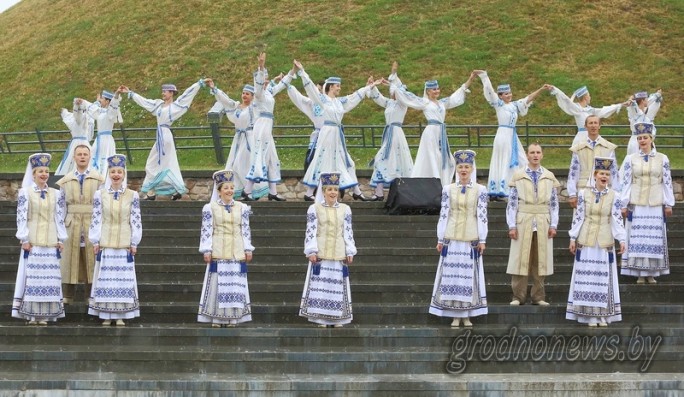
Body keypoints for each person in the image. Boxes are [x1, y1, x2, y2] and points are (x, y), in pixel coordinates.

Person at [293, 60, 377, 201]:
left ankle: (313, 192)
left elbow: (354, 97)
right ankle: (310, 192)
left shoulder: (340, 102)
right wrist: (302, 72)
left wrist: (369, 87)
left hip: (337, 135)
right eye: (337, 86)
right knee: (321, 160)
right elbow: (311, 90)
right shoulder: (322, 100)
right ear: (331, 87)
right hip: (327, 133)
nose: (339, 88)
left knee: (345, 161)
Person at [120, 79, 208, 200]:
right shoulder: (159, 105)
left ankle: (155, 191)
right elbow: (145, 102)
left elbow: (187, 95)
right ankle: (170, 190)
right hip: (161, 136)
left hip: (165, 136)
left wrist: (199, 84)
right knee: (163, 164)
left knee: (157, 163)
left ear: (171, 93)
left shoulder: (174, 107)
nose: (163, 93)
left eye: (165, 91)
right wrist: (131, 93)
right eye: (163, 91)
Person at [430, 150, 488, 327]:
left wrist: (483, 238)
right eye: (461, 166)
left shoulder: (480, 190)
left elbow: (482, 214)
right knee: (452, 276)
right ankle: (455, 314)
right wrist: (440, 238)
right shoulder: (448, 189)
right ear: (456, 168)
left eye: (467, 167)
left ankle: (467, 314)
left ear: (472, 169)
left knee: (467, 276)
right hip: (452, 238)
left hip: (470, 238)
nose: (463, 170)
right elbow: (444, 213)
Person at [567, 157, 626, 327]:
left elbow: (616, 219)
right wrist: (573, 237)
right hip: (586, 240)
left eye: (607, 174)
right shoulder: (584, 194)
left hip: (604, 241)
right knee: (587, 277)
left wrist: (621, 239)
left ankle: (602, 315)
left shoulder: (615, 196)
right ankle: (588, 315)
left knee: (603, 279)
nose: (604, 176)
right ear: (595, 175)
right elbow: (578, 217)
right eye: (601, 173)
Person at [389, 72, 476, 186]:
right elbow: (408, 96)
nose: (436, 91)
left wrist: (470, 79)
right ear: (428, 91)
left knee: (443, 158)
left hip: (440, 132)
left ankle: (442, 182)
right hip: (430, 132)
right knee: (431, 156)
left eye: (438, 89)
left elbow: (455, 96)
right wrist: (394, 83)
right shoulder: (424, 102)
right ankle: (433, 183)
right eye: (434, 89)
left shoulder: (442, 103)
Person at [13, 153, 67, 325]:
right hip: (33, 241)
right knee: (34, 278)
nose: (44, 174)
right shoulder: (25, 193)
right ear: (33, 174)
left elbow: (59, 217)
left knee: (49, 278)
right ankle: (31, 314)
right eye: (40, 171)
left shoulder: (56, 194)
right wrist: (24, 238)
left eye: (46, 171)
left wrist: (61, 238)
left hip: (50, 241)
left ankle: (45, 315)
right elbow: (21, 216)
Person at [88, 154, 142, 326]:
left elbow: (135, 219)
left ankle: (121, 314)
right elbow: (96, 218)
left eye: (119, 171)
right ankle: (105, 313)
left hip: (124, 242)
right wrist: (95, 240)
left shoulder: (132, 195)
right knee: (107, 278)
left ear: (124, 174)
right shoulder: (100, 194)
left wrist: (134, 242)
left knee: (121, 279)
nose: (116, 175)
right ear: (108, 174)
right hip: (106, 241)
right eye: (113, 171)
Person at [476, 71, 546, 199]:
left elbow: (528, 98)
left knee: (521, 159)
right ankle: (501, 188)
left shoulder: (514, 105)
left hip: (512, 136)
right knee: (504, 159)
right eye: (506, 94)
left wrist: (541, 89)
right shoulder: (499, 105)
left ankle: (520, 186)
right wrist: (484, 77)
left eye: (510, 93)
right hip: (503, 135)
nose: (509, 95)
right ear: (501, 96)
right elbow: (490, 91)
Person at [619, 122, 674, 284]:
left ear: (652, 138)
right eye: (640, 138)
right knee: (638, 238)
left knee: (653, 238)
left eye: (645, 137)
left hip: (656, 203)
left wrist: (669, 203)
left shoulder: (662, 158)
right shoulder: (631, 159)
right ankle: (640, 273)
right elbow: (626, 181)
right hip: (638, 203)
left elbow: (667, 181)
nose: (642, 140)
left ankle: (652, 273)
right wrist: (623, 203)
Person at [300, 172, 357, 327]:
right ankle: (321, 319)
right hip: (321, 253)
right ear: (323, 191)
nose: (333, 192)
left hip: (339, 253)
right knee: (322, 286)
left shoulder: (345, 209)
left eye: (335, 189)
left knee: (336, 286)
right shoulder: (314, 208)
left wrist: (349, 250)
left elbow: (348, 231)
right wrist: (311, 250)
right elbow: (311, 230)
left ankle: (337, 318)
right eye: (329, 189)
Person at [506, 143, 560, 306]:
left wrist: (554, 224)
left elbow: (554, 203)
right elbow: (512, 202)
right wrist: (512, 225)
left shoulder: (549, 176)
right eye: (532, 152)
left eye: (538, 152)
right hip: (524, 219)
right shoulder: (519, 175)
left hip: (543, 220)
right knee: (520, 258)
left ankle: (538, 296)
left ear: (542, 155)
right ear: (527, 155)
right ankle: (518, 296)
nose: (535, 155)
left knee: (541, 259)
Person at [198, 170, 254, 327]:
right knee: (218, 283)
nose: (229, 191)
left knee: (235, 284)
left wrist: (248, 248)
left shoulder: (242, 208)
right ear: (219, 191)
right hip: (219, 250)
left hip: (236, 251)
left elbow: (245, 229)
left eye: (231, 188)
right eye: (226, 188)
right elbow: (207, 229)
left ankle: (233, 318)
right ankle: (217, 318)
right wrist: (207, 249)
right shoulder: (210, 208)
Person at [55, 144, 104, 304]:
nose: (82, 157)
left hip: (91, 221)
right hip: (72, 222)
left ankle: (91, 294)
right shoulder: (66, 181)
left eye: (85, 154)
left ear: (90, 157)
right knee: (69, 259)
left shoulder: (99, 179)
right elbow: (61, 206)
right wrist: (59, 227)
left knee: (91, 258)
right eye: (79, 154)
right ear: (74, 157)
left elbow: (102, 204)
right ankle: (67, 295)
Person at [208, 81, 268, 200]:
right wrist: (214, 88)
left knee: (243, 163)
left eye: (247, 94)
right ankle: (243, 191)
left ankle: (250, 191)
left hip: (249, 137)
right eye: (243, 93)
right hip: (239, 138)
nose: (244, 95)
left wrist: (263, 87)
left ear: (252, 96)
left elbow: (261, 98)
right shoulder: (236, 106)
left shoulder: (254, 107)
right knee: (234, 165)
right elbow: (225, 100)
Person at [243, 52, 289, 201]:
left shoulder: (269, 93)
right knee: (259, 157)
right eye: (264, 78)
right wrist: (261, 67)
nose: (266, 81)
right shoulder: (259, 95)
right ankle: (247, 191)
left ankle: (272, 192)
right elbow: (258, 85)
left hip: (267, 127)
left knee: (271, 157)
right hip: (261, 126)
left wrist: (293, 72)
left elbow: (281, 85)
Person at [366, 61, 414, 201]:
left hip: (396, 135)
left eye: (394, 91)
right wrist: (372, 85)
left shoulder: (402, 104)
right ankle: (380, 193)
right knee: (385, 161)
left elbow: (399, 90)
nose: (392, 93)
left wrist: (393, 75)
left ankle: (396, 193)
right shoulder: (390, 103)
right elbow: (377, 97)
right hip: (389, 135)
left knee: (388, 160)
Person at [547, 84, 627, 147]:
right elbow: (566, 100)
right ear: (585, 97)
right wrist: (555, 90)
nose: (590, 97)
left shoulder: (591, 110)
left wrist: (621, 105)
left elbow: (603, 110)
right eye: (589, 95)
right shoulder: (577, 109)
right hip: (581, 138)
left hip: (593, 137)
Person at [566, 115, 619, 208]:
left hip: (603, 189)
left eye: (595, 123)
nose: (593, 126)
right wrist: (572, 193)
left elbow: (614, 172)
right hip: (584, 189)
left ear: (599, 126)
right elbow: (573, 172)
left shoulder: (609, 147)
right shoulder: (578, 148)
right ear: (586, 126)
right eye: (590, 123)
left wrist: (616, 192)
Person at [77, 90, 123, 175]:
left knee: (105, 158)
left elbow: (114, 104)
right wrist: (83, 101)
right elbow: (92, 107)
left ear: (107, 101)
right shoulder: (101, 111)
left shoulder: (111, 112)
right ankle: (93, 175)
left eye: (102, 99)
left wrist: (116, 94)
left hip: (106, 141)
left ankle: (105, 176)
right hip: (99, 140)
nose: (100, 100)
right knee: (93, 157)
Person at [55, 99, 94, 176]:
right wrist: (77, 105)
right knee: (73, 159)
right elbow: (77, 115)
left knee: (84, 158)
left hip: (82, 142)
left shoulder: (86, 118)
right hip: (78, 143)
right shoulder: (77, 119)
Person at [626, 90, 663, 155]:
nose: (647, 100)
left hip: (648, 141)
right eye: (646, 99)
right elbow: (632, 103)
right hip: (636, 141)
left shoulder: (646, 114)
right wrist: (630, 98)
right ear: (643, 101)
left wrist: (658, 96)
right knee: (634, 161)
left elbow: (656, 102)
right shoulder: (634, 111)